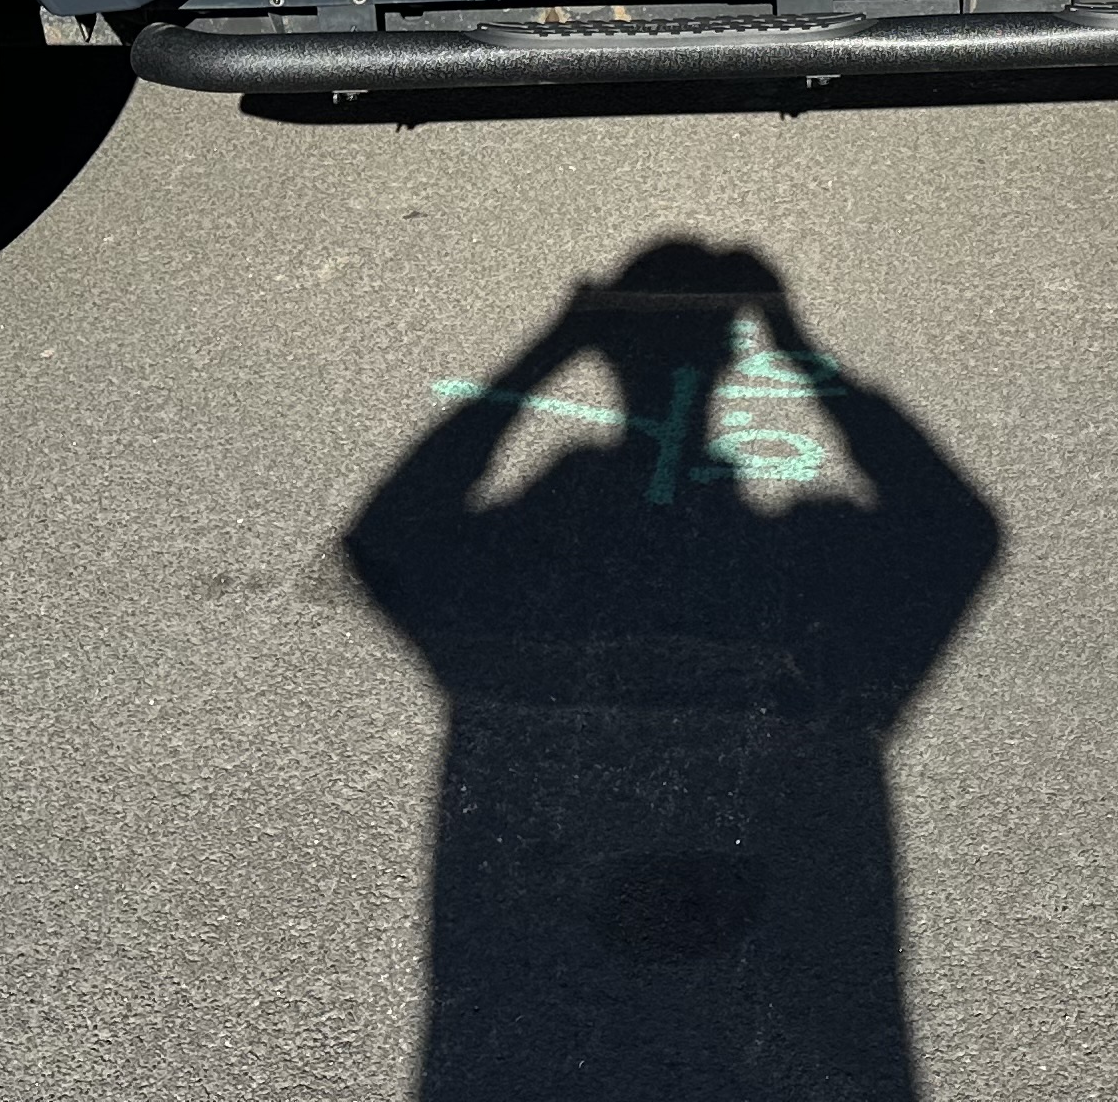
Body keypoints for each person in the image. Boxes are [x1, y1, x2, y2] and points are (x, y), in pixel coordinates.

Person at [342, 240, 1004, 1101]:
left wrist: (553, 347)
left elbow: (389, 537)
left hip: (538, 1005)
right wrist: (800, 353)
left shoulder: (509, 615)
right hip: (790, 1001)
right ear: (737, 356)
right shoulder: (816, 593)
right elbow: (957, 531)